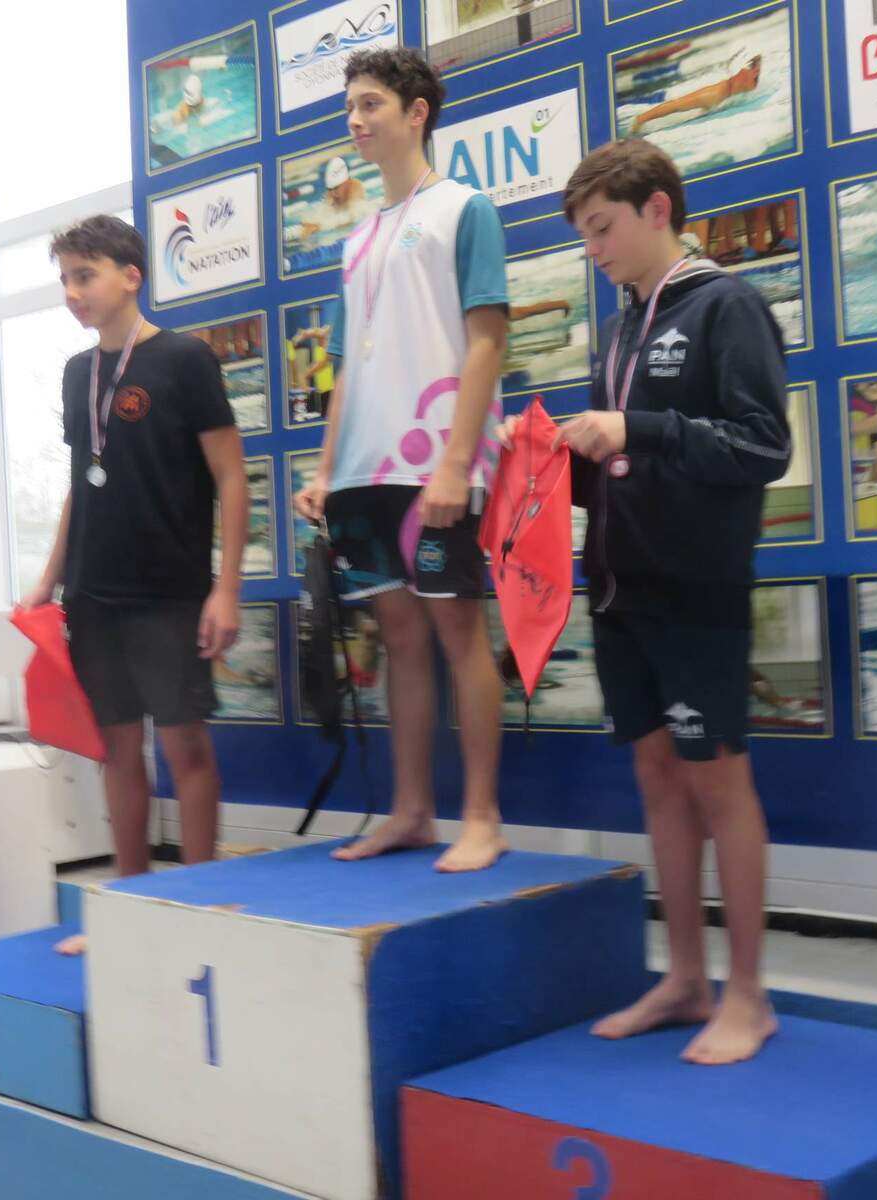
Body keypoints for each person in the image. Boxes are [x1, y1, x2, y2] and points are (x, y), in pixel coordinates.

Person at [505, 137, 790, 1064]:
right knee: (660, 782)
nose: (592, 250)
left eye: (602, 229)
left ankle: (749, 995)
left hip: (697, 588)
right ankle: (685, 979)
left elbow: (763, 446)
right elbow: (616, 473)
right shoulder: (622, 328)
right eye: (584, 236)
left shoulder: (728, 306)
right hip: (620, 587)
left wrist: (639, 426)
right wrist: (544, 456)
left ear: (657, 209)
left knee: (720, 783)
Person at [292, 46, 511, 873]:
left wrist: (457, 461)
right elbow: (344, 367)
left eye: (371, 103)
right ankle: (413, 811)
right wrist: (325, 471)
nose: (355, 119)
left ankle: (482, 816)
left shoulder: (465, 208)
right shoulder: (356, 241)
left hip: (436, 466)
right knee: (399, 639)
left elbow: (487, 339)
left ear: (417, 113)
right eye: (350, 106)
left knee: (459, 632)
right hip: (362, 471)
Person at [20, 216, 248, 954]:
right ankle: (131, 907)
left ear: (130, 276)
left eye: (84, 275)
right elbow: (79, 482)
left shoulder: (185, 360)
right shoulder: (76, 373)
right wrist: (49, 580)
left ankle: (201, 905)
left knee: (186, 749)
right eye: (65, 278)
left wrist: (226, 588)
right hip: (93, 593)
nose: (72, 292)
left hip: (170, 592)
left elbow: (231, 475)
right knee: (115, 754)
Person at [630, 54, 762, 134]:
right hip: (671, 99)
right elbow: (675, 105)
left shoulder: (750, 85)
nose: (758, 74)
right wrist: (641, 119)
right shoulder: (715, 94)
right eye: (756, 70)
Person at [300, 156, 374, 240]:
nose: (333, 193)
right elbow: (323, 211)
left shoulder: (355, 187)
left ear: (346, 183)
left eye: (336, 188)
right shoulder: (332, 190)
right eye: (330, 189)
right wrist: (311, 223)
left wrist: (320, 226)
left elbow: (352, 217)